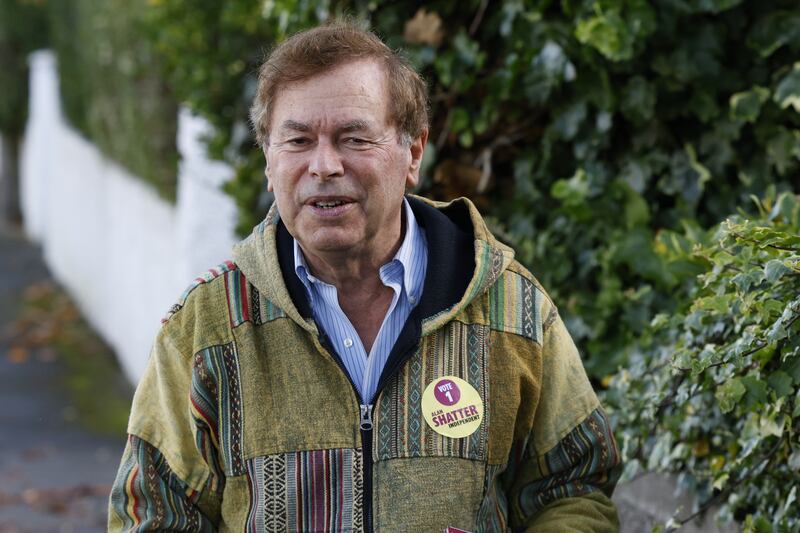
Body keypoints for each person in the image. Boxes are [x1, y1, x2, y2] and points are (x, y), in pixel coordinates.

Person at [109, 21, 622, 532]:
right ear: (269, 161)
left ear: (413, 153)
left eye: (354, 138)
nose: (324, 165)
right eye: (298, 141)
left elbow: (573, 486)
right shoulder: (208, 327)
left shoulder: (512, 310)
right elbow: (152, 512)